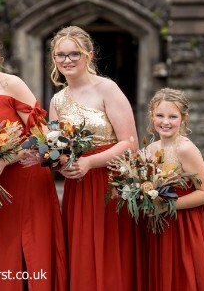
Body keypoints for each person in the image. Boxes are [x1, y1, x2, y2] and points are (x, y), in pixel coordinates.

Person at [0, 23, 67, 291]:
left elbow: (42, 135)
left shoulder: (12, 85)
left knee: (34, 250)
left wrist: (5, 160)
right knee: (3, 252)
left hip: (28, 179)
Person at [49, 26, 142, 291]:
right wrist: (61, 163)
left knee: (109, 250)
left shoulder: (107, 89)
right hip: (78, 186)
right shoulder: (57, 101)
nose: (67, 60)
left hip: (110, 184)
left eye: (74, 54)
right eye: (60, 55)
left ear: (88, 55)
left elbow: (130, 144)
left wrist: (90, 162)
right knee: (81, 249)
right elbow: (56, 145)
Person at [144, 88, 204, 290]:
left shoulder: (185, 149)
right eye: (160, 115)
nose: (165, 121)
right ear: (151, 116)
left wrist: (166, 206)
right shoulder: (149, 149)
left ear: (184, 118)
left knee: (186, 275)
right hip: (161, 224)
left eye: (173, 116)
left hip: (187, 224)